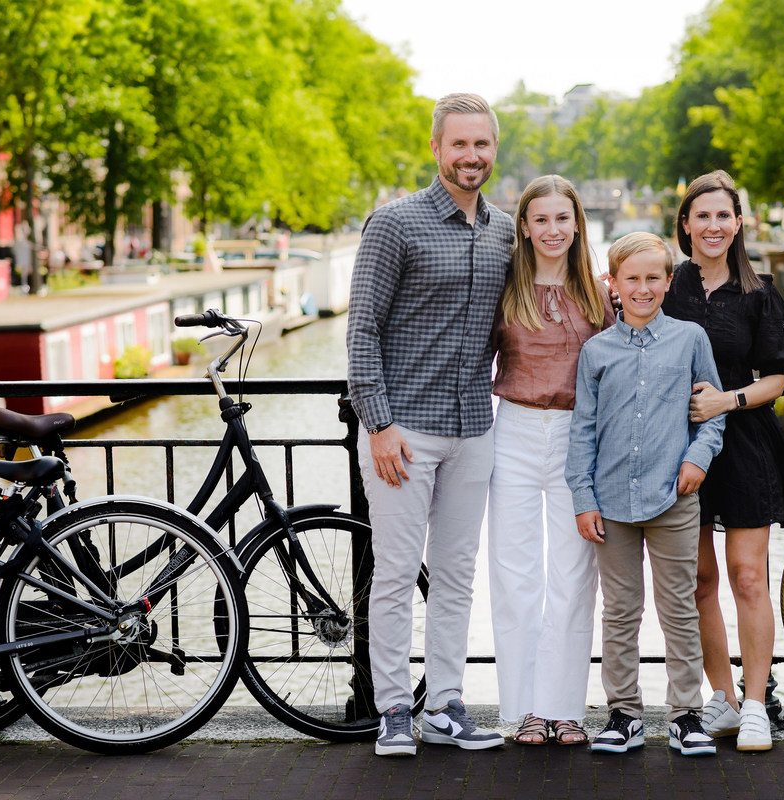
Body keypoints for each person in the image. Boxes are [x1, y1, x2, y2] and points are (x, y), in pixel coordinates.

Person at [346, 92, 514, 757]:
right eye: (459, 144)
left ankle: (445, 703)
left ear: (493, 150)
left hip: (476, 427)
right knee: (393, 575)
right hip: (404, 432)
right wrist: (378, 424)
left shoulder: (504, 229)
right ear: (437, 147)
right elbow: (362, 333)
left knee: (455, 573)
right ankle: (393, 710)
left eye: (482, 144)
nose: (471, 156)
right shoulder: (394, 225)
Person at [565, 231, 726, 757]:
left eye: (652, 277)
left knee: (678, 606)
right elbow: (583, 429)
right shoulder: (596, 351)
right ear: (613, 284)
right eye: (630, 278)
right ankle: (624, 713)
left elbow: (712, 415)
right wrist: (583, 497)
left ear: (668, 280)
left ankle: (685, 715)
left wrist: (697, 459)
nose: (642, 288)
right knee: (620, 610)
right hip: (611, 501)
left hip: (674, 495)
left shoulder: (690, 340)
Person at [662, 170, 784, 752]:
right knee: (699, 580)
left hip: (743, 443)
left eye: (724, 215)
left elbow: (778, 377)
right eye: (703, 216)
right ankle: (719, 699)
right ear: (685, 225)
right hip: (682, 447)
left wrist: (728, 398)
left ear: (738, 223)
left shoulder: (759, 291)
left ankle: (754, 705)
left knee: (748, 578)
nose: (714, 226)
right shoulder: (667, 287)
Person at [488, 175, 616, 746]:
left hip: (576, 438)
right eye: (541, 219)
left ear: (577, 224)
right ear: (524, 225)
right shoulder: (505, 285)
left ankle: (565, 710)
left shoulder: (597, 291)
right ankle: (524, 711)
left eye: (563, 218)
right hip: (512, 429)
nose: (553, 230)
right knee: (515, 576)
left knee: (573, 574)